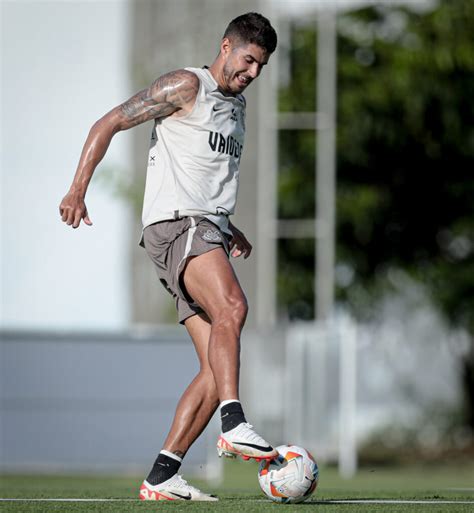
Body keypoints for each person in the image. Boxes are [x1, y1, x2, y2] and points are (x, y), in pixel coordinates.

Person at [59, 12, 278, 502]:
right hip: (179, 226)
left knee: (211, 368)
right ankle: (233, 422)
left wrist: (229, 227)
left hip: (205, 228)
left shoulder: (236, 108)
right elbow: (108, 122)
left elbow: (204, 176)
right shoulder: (186, 86)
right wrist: (77, 190)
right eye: (248, 61)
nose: (252, 74)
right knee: (234, 309)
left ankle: (163, 473)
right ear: (226, 46)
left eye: (260, 66)